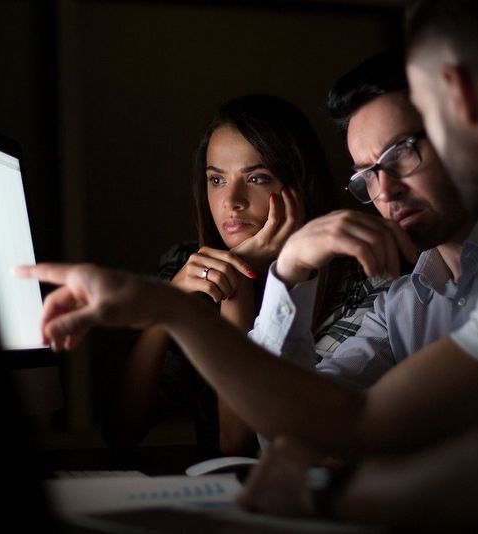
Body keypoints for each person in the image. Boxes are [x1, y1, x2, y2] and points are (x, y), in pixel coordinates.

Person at [16, 1, 478, 528]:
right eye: (366, 175)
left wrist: (327, 499)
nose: (384, 193)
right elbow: (351, 416)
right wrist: (169, 308)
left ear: (456, 94)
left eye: (409, 146)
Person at [103, 94, 377, 457]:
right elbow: (121, 434)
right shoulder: (186, 267)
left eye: (257, 178)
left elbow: (241, 447)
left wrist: (237, 283)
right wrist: (165, 308)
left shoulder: (359, 282)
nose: (231, 200)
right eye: (216, 180)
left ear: (300, 185)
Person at [251, 49, 478, 390]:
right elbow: (297, 418)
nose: (384, 191)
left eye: (399, 154)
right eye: (367, 174)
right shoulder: (401, 307)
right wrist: (292, 264)